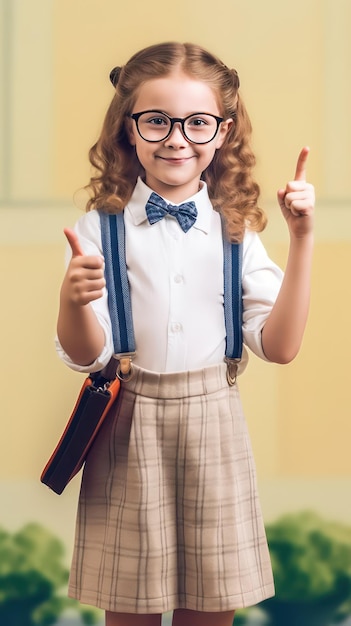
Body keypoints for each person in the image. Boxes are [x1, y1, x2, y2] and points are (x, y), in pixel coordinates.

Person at [56, 42, 315, 626]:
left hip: (214, 423)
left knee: (209, 605)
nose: (177, 138)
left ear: (223, 131)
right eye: (157, 121)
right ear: (130, 129)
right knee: (130, 607)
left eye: (197, 122)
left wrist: (302, 240)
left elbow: (280, 346)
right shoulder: (100, 227)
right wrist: (72, 300)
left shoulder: (237, 229)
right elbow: (87, 353)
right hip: (128, 424)